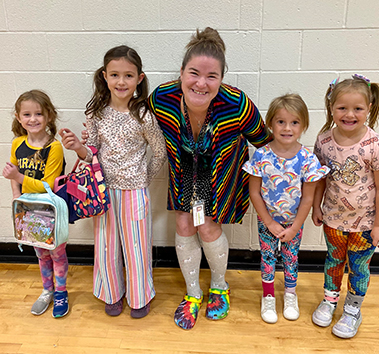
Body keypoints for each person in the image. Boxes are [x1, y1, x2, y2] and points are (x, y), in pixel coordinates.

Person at [149, 27, 271, 330]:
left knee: (207, 226)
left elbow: (265, 143)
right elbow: (138, 128)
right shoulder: (161, 99)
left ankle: (219, 286)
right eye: (194, 73)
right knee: (183, 223)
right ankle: (193, 294)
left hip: (219, 176)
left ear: (221, 77)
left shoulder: (237, 104)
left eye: (211, 76)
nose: (201, 83)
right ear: (181, 72)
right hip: (183, 173)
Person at [60, 45, 167, 318]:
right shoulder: (96, 112)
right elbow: (91, 151)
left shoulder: (144, 115)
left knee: (136, 246)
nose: (121, 81)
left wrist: (143, 177)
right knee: (107, 245)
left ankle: (139, 295)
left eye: (128, 76)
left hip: (135, 191)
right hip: (103, 192)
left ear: (139, 79)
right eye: (115, 75)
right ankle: (112, 293)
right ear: (105, 76)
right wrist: (76, 148)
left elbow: (160, 151)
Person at [311, 74, 379, 339]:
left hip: (365, 225)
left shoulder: (377, 146)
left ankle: (353, 309)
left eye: (357, 108)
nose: (349, 114)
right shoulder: (323, 142)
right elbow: (319, 180)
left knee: (358, 267)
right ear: (331, 107)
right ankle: (330, 300)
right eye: (342, 108)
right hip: (333, 221)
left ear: (369, 107)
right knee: (333, 262)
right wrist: (316, 207)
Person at [243, 94, 329, 324]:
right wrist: (269, 222)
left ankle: (290, 295)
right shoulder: (261, 155)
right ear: (270, 123)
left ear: (303, 126)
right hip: (267, 220)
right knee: (268, 257)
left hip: (294, 223)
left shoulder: (308, 159)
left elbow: (308, 198)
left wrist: (295, 227)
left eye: (294, 122)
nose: (287, 128)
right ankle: (268, 296)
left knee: (291, 258)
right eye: (281, 121)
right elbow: (254, 192)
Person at [2, 90, 68, 318]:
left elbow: (47, 185)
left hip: (50, 209)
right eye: (27, 114)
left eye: (38, 113)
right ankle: (47, 290)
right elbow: (13, 174)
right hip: (27, 209)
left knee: (56, 253)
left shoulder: (54, 147)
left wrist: (19, 178)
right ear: (19, 118)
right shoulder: (17, 143)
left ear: (49, 116)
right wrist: (15, 197)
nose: (33, 119)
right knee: (40, 253)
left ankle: (61, 292)